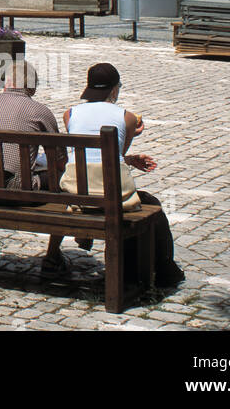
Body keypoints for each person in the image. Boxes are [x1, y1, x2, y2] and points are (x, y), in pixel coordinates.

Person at [63, 62, 184, 288]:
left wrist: (128, 159)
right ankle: (164, 270)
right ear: (114, 89)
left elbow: (95, 154)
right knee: (151, 205)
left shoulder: (69, 114)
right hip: (111, 196)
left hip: (77, 192)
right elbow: (115, 154)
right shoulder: (127, 117)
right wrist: (133, 134)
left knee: (141, 203)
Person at [0, 60, 72, 277]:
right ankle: (53, 255)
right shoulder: (39, 110)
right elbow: (60, 159)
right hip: (20, 190)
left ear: (6, 82)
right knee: (67, 181)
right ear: (32, 87)